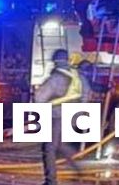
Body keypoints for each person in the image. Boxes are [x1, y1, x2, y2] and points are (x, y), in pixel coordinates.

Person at [34, 49, 83, 185]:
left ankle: (51, 181)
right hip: (72, 115)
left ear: (55, 62)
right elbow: (84, 92)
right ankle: (79, 168)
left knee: (49, 148)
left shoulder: (55, 78)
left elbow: (39, 98)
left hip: (57, 116)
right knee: (60, 145)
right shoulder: (75, 75)